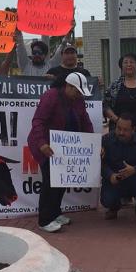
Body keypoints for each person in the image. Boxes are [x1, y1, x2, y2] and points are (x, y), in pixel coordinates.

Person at [27, 72, 94, 232]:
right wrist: (42, 144)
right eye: (76, 91)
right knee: (50, 182)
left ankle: (55, 213)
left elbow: (85, 121)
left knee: (61, 181)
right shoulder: (50, 96)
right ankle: (44, 220)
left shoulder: (78, 100)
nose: (78, 95)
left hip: (65, 147)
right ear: (68, 86)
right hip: (45, 146)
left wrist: (93, 143)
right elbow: (38, 121)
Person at [101, 114, 136, 226]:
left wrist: (135, 169)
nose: (121, 133)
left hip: (135, 179)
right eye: (118, 128)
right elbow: (100, 163)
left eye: (125, 130)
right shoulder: (105, 140)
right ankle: (114, 208)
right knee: (107, 200)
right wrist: (110, 175)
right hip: (115, 179)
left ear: (133, 129)